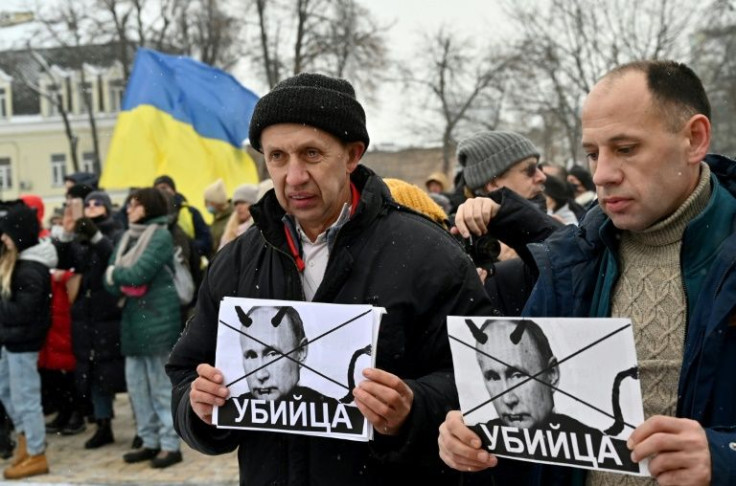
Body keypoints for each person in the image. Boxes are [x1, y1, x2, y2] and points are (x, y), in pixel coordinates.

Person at [166, 72, 492, 486]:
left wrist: (413, 409)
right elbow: (185, 371)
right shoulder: (237, 260)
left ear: (352, 154)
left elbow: (479, 381)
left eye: (312, 154)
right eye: (278, 157)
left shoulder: (429, 254)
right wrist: (198, 408)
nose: (294, 175)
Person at [439, 60, 736, 485]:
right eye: (593, 154)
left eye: (626, 149)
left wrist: (723, 458)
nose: (602, 175)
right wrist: (472, 440)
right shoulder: (569, 263)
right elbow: (534, 437)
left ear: (695, 138)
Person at [104, 188, 182, 469]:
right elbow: (108, 278)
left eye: (134, 205)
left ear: (147, 207)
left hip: (158, 320)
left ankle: (170, 445)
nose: (128, 209)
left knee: (160, 387)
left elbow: (138, 273)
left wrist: (119, 275)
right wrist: (120, 277)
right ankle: (148, 441)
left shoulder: (160, 235)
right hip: (132, 322)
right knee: (137, 388)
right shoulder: (127, 236)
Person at [55, 190, 126, 449]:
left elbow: (112, 256)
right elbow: (64, 260)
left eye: (98, 203)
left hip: (108, 314)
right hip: (85, 316)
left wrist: (95, 234)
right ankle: (102, 423)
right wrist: (67, 231)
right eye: (88, 204)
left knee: (116, 372)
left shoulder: (116, 232)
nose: (92, 206)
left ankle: (142, 426)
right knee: (94, 374)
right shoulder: (80, 237)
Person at [0, 204, 56, 479]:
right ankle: (25, 441)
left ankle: (36, 452)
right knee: (8, 392)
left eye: (7, 233)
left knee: (26, 399)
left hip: (23, 343)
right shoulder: (20, 264)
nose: (3, 238)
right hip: (11, 341)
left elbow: (23, 311)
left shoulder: (31, 269)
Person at [153, 175, 212, 258]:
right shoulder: (152, 216)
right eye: (157, 190)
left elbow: (206, 242)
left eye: (164, 188)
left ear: (174, 191)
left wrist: (187, 244)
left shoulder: (191, 212)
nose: (161, 192)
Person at [218, 183, 258, 250]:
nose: (238, 207)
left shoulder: (258, 228)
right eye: (236, 204)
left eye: (242, 202)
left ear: (253, 204)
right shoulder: (229, 230)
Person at [203, 178, 233, 255]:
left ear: (216, 202)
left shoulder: (232, 218)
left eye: (208, 202)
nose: (205, 205)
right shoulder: (217, 216)